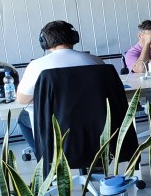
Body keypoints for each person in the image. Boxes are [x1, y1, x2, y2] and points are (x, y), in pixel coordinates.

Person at [16, 20, 103, 151]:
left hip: (57, 125)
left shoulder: (37, 66)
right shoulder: (95, 60)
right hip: (95, 123)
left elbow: (22, 100)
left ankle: (45, 157)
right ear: (74, 37)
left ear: (44, 42)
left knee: (22, 118)